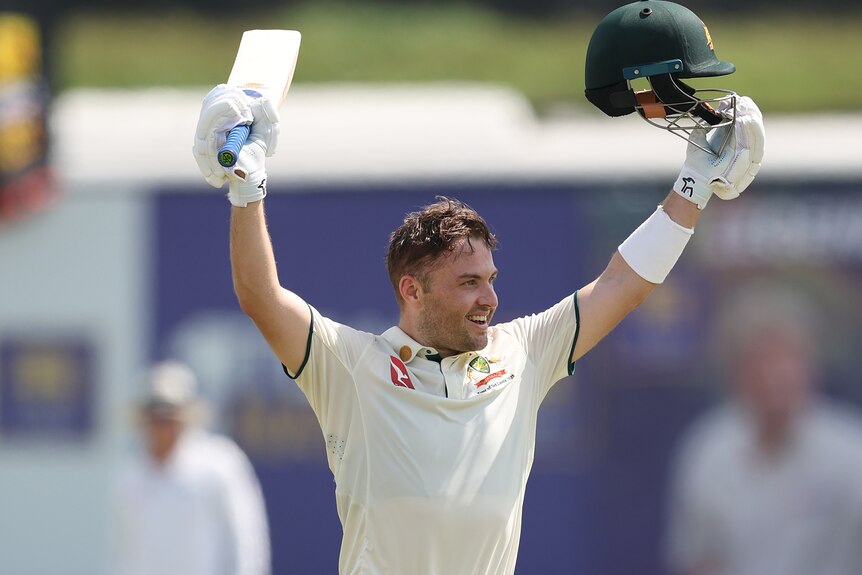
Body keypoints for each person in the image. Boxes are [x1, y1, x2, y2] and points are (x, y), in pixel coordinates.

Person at [191, 3, 764, 572]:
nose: (489, 298)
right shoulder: (348, 367)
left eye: (490, 279)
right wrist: (248, 190)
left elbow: (623, 283)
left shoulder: (524, 353)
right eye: (468, 283)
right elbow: (260, 296)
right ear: (412, 290)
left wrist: (695, 184)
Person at [665, 285, 862, 575]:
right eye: (762, 359)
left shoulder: (850, 449)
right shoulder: (709, 450)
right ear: (736, 371)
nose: (777, 373)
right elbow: (697, 559)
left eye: (789, 357)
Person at [113, 361, 271, 575]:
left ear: (184, 418)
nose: (160, 426)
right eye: (154, 417)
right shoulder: (131, 478)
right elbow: (124, 556)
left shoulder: (219, 464)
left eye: (167, 417)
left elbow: (246, 542)